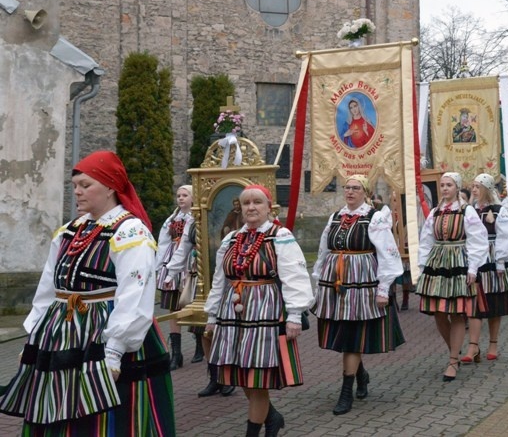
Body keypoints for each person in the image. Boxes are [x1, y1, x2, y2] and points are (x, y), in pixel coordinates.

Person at [0, 150, 175, 435]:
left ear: (109, 187)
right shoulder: (69, 231)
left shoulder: (130, 232)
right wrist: (32, 338)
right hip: (59, 334)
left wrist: (114, 351)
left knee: (104, 418)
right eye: (75, 186)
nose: (78, 192)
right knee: (55, 408)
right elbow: (48, 288)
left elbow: (135, 294)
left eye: (86, 185)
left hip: (105, 334)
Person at [204, 185, 313, 436]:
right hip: (233, 314)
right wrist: (212, 315)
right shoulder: (231, 239)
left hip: (265, 312)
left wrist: (294, 315)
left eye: (257, 202)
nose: (251, 207)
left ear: (269, 207)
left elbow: (294, 276)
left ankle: (253, 432)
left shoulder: (280, 235)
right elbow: (219, 280)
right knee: (242, 374)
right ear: (240, 208)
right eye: (246, 203)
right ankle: (272, 417)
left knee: (257, 377)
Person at [312, 175, 404, 415]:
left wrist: (384, 288)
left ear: (365, 192)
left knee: (352, 336)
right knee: (345, 334)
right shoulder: (335, 217)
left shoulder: (374, 218)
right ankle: (361, 375)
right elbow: (324, 250)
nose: (350, 192)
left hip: (361, 284)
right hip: (336, 284)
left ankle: (346, 391)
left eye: (355, 188)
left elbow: (388, 253)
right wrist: (318, 283)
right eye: (347, 187)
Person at [416, 172, 489, 381]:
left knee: (457, 312)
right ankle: (454, 352)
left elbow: (478, 240)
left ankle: (452, 360)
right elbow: (426, 240)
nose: (445, 188)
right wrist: (422, 267)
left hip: (459, 262)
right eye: (442, 185)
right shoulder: (435, 212)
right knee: (439, 312)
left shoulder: (467, 212)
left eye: (449, 185)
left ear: (457, 187)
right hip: (437, 264)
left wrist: (473, 268)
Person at [462, 174, 508, 364]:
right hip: (475, 261)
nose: (474, 190)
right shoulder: (469, 211)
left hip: (493, 260)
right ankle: (473, 346)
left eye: (478, 186)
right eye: (473, 186)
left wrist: (501, 261)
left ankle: (493, 344)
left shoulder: (499, 210)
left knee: (494, 303)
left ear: (486, 188)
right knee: (475, 303)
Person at [156, 185, 196, 370]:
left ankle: (199, 345)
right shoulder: (172, 219)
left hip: (190, 260)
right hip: (172, 260)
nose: (180, 198)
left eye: (185, 195)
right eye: (178, 195)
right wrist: (159, 267)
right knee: (173, 307)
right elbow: (163, 242)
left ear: (192, 197)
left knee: (192, 304)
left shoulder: (195, 217)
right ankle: (176, 353)